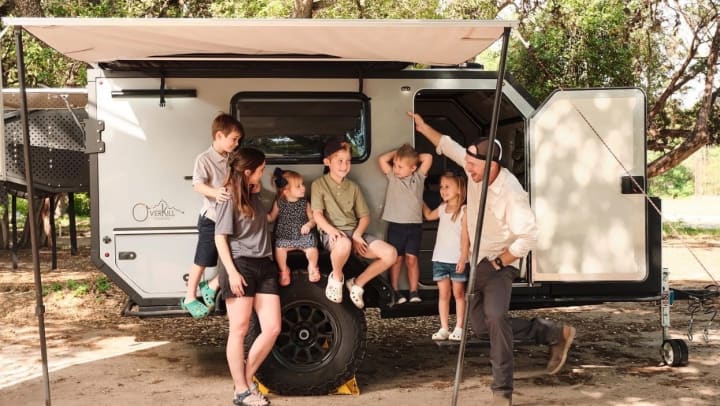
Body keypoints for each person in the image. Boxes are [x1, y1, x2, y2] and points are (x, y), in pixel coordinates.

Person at [409, 112, 576, 406]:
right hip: (476, 261)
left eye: (473, 166)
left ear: (492, 165)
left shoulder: (511, 193)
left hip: (500, 264)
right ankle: (550, 332)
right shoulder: (473, 165)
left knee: (496, 318)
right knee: (481, 327)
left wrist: (501, 262)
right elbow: (448, 145)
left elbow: (530, 236)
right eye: (468, 163)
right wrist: (424, 127)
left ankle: (502, 391)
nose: (468, 169)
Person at [215, 148, 280, 406]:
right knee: (239, 329)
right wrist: (231, 273)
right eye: (261, 169)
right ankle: (242, 390)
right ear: (247, 172)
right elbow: (220, 238)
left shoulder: (255, 193)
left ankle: (245, 381)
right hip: (240, 265)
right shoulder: (227, 196)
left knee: (273, 327)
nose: (263, 173)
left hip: (265, 264)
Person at [311, 139, 398, 309]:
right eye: (340, 161)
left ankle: (357, 284)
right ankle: (336, 278)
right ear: (327, 162)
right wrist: (331, 231)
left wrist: (358, 235)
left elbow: (365, 216)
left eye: (348, 161)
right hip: (334, 235)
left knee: (390, 253)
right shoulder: (319, 184)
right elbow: (317, 214)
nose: (344, 165)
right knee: (343, 244)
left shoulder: (353, 187)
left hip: (355, 233)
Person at [182, 113, 243, 319]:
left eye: (238, 140)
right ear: (219, 135)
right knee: (203, 258)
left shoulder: (231, 158)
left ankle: (212, 285)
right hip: (211, 218)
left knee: (234, 257)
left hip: (230, 218)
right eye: (233, 139)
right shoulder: (204, 159)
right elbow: (197, 184)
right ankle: (190, 296)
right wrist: (216, 193)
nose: (236, 143)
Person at [378, 144, 433, 304]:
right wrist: (398, 154)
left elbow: (428, 157)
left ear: (413, 168)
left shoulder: (419, 177)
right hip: (396, 226)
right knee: (397, 259)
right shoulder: (393, 178)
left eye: (400, 166)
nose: (396, 169)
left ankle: (413, 291)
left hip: (414, 227)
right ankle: (395, 290)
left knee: (412, 260)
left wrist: (410, 156)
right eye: (395, 165)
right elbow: (382, 159)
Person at [422, 171, 469, 341]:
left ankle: (459, 327)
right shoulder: (442, 208)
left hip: (457, 260)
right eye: (441, 187)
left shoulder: (464, 210)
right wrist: (417, 197)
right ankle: (444, 328)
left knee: (458, 293)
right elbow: (428, 216)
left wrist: (463, 258)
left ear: (459, 190)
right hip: (440, 258)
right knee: (443, 294)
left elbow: (465, 238)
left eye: (447, 187)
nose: (443, 190)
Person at [267, 167, 321, 286]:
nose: (303, 188)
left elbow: (313, 219)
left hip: (303, 235)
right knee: (279, 249)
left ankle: (312, 267)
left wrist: (308, 224)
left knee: (312, 249)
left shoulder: (304, 203)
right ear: (286, 191)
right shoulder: (279, 203)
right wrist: (262, 217)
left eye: (302, 184)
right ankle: (284, 270)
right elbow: (271, 217)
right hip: (285, 236)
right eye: (298, 186)